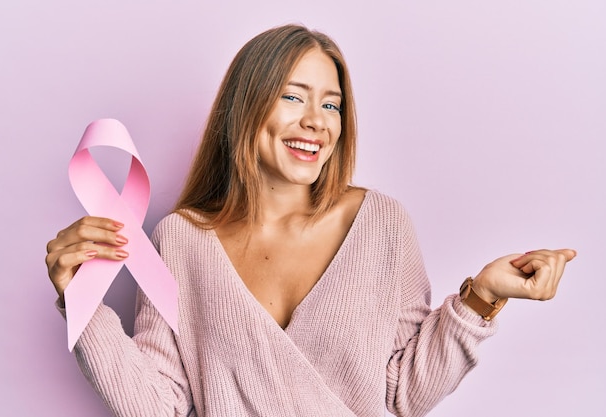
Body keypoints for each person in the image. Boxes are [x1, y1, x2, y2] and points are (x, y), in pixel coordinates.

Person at [45, 24, 576, 417]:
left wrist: (482, 295)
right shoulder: (181, 239)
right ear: (246, 106)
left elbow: (401, 392)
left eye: (332, 105)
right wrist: (82, 301)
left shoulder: (381, 224)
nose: (314, 122)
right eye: (292, 96)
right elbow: (158, 406)